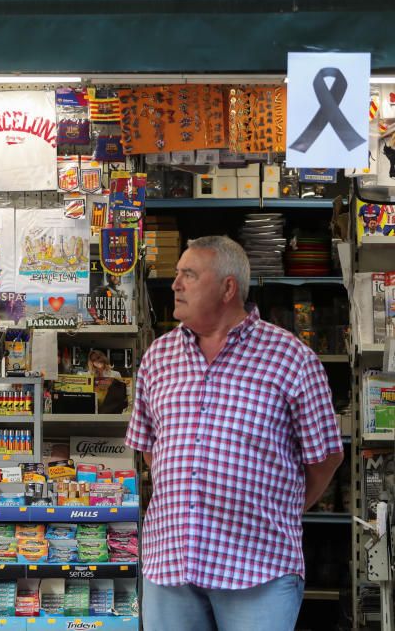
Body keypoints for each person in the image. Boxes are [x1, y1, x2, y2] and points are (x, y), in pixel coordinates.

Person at [125, 236, 343, 631]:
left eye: (188, 275)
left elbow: (326, 457)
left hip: (257, 567)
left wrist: (280, 510)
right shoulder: (158, 357)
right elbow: (150, 449)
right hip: (171, 563)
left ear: (228, 288)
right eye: (177, 275)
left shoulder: (290, 358)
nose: (175, 284)